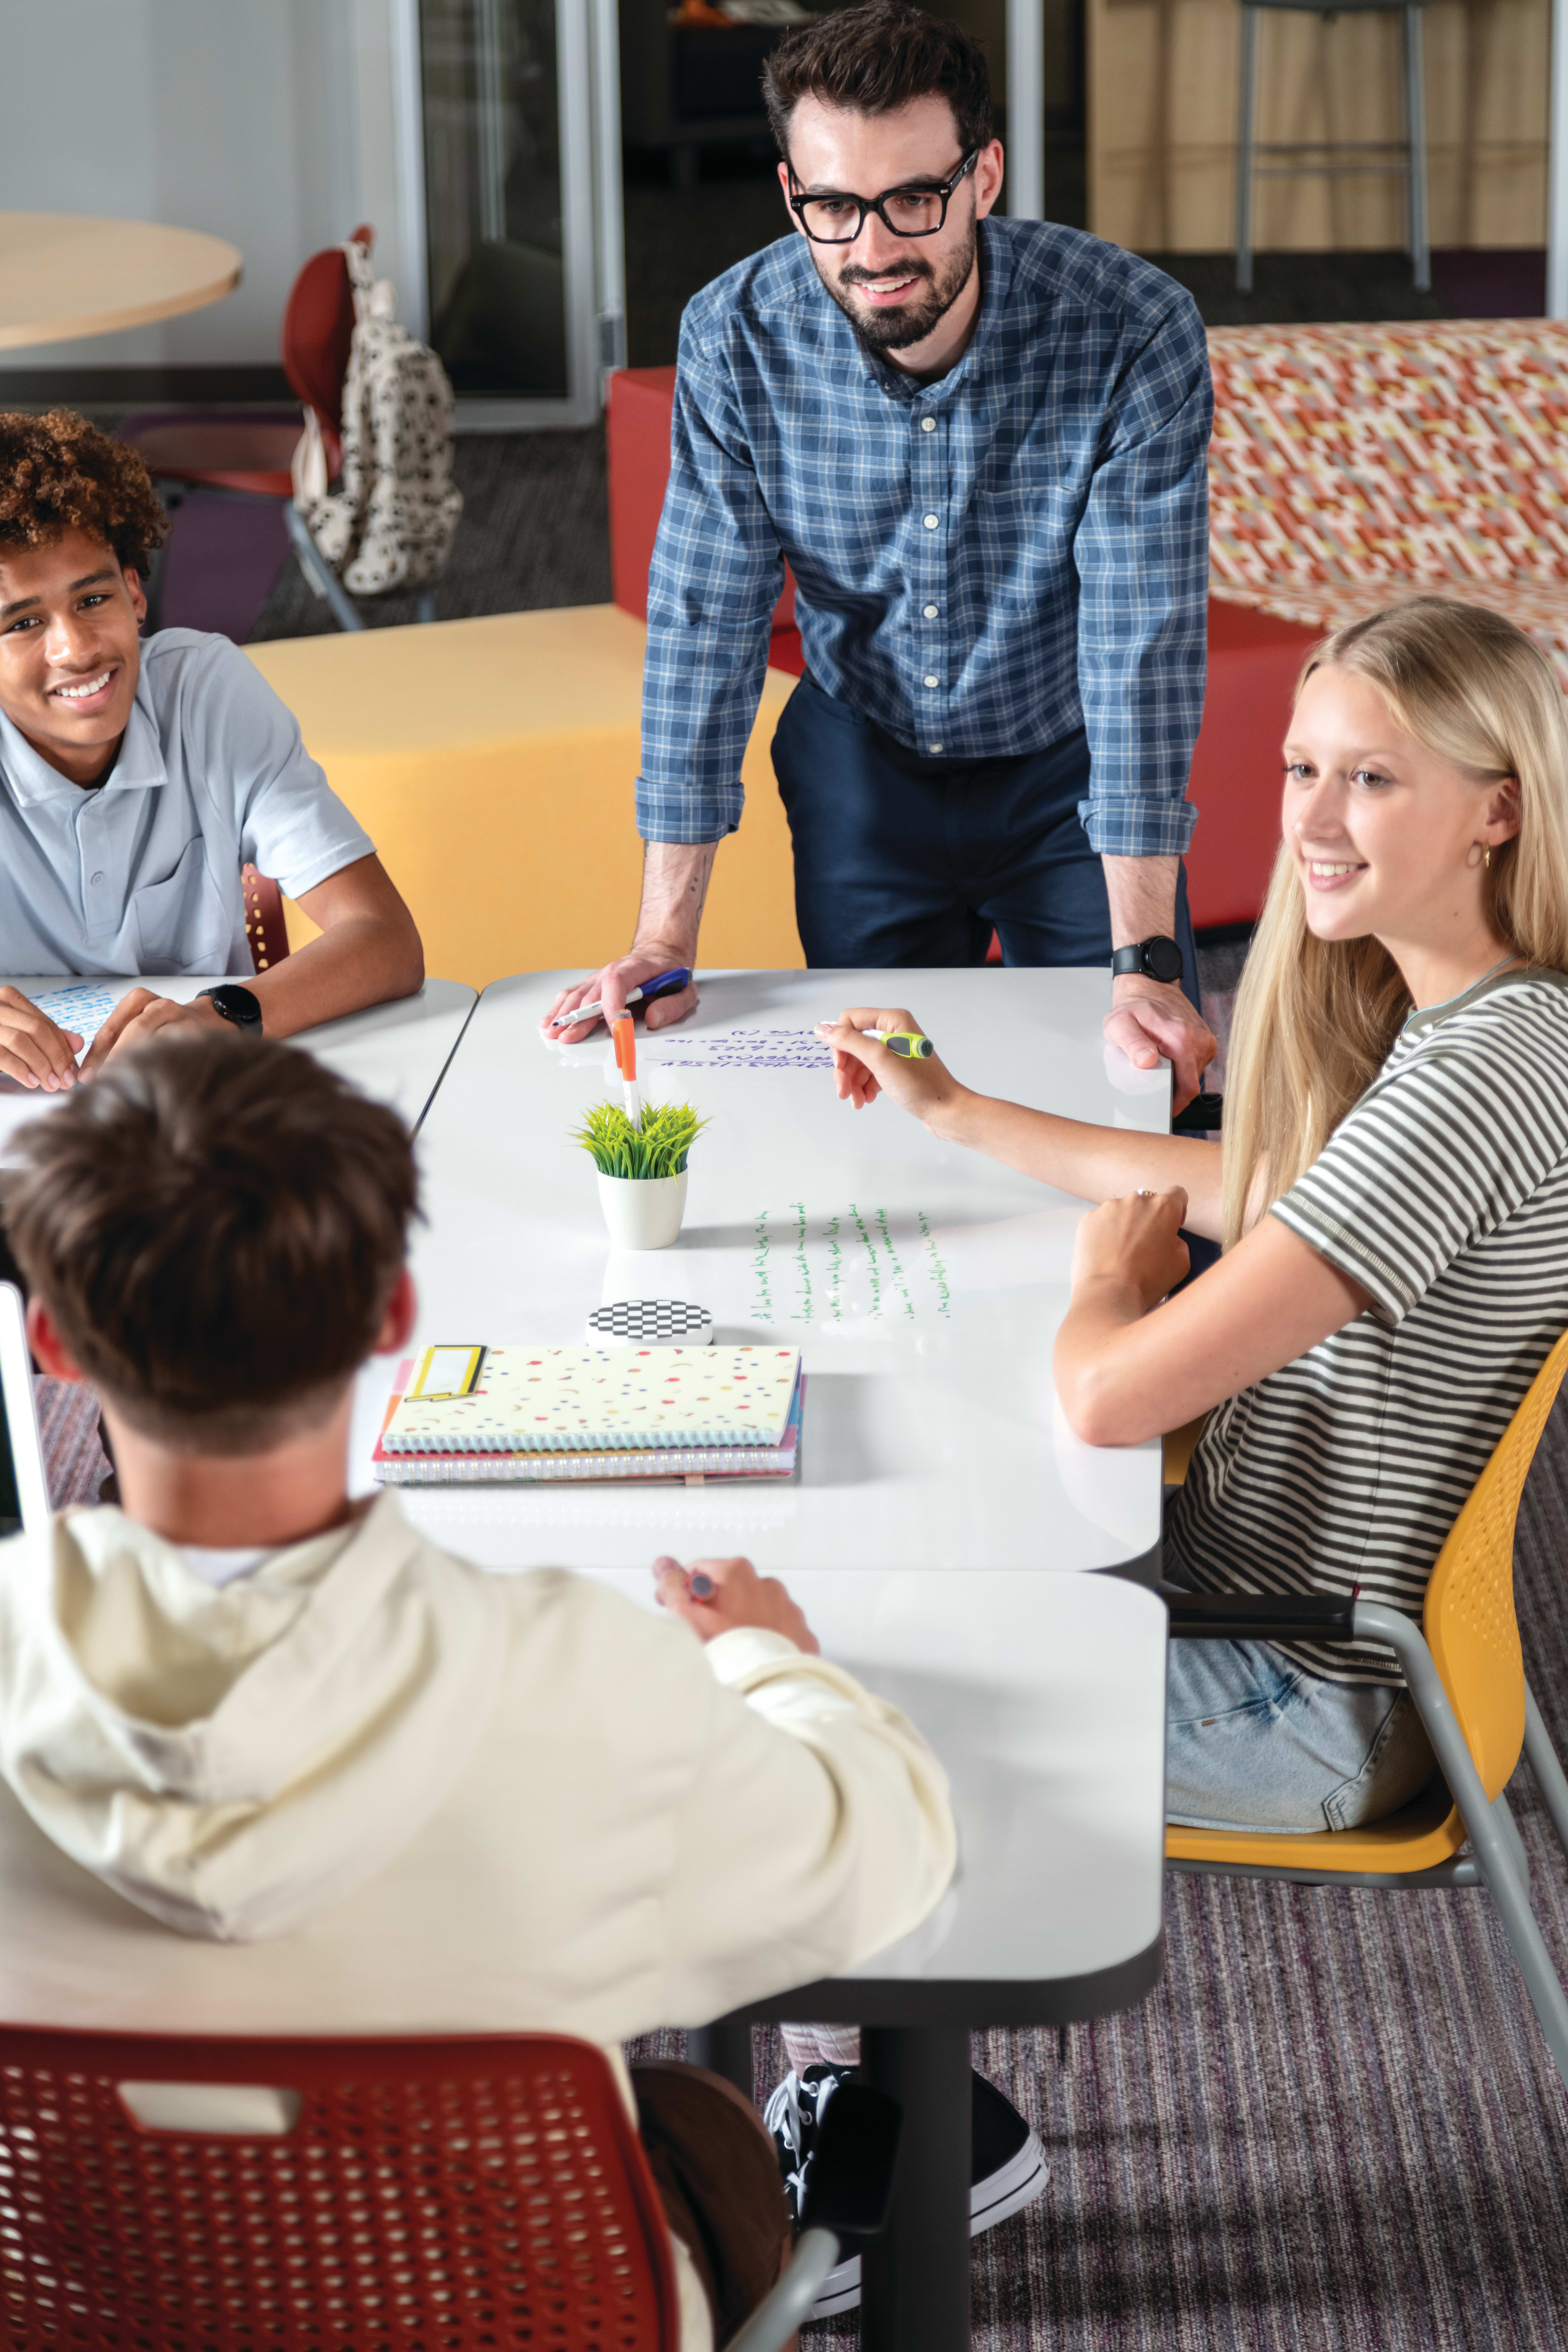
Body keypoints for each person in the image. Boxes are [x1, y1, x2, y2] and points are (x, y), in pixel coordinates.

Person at [0, 1027, 955, 2352]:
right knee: (701, 2122)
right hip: (517, 2317)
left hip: (95, 2306)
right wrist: (765, 1660)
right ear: (395, 1311)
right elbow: (881, 1861)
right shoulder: (579, 1678)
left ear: (51, 1338)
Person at [815, 595, 1568, 1835]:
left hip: (1294, 1691)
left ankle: (858, 2038)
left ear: (1496, 809)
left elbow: (1107, 1394)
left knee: (824, 1689)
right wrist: (955, 1111)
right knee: (905, 1544)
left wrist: (1108, 1283)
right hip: (1288, 1622)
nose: (1311, 821)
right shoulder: (1502, 1020)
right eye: (1301, 768)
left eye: (1369, 779)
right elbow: (1268, 1189)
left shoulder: (1466, 1082)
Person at [545, 0, 1217, 1111]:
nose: (873, 248)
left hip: (1066, 772)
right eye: (832, 206)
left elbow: (1137, 643)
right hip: (861, 765)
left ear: (983, 179)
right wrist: (662, 936)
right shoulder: (734, 338)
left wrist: (1140, 959)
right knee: (887, 1109)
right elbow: (704, 629)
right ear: (790, 195)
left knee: (1138, 1096)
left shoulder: (1131, 331)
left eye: (912, 198)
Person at [0, 409, 423, 1093]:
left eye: (94, 598)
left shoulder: (208, 692)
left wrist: (224, 1016)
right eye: (21, 623)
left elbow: (385, 939)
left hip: (200, 1112)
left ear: (135, 595)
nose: (74, 650)